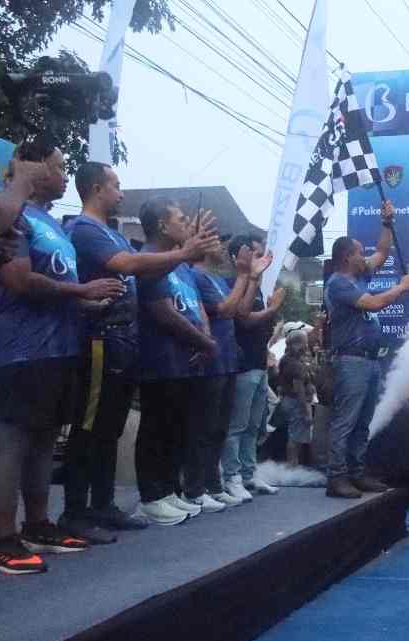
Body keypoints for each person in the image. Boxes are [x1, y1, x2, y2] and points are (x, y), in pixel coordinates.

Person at [60, 162, 221, 543]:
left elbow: (144, 273)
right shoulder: (85, 229)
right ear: (97, 188)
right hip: (98, 339)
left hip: (122, 344)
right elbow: (129, 266)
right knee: (90, 428)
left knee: (109, 430)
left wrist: (185, 250)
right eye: (115, 185)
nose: (120, 191)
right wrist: (184, 252)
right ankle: (75, 511)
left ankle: (103, 504)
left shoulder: (113, 235)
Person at [0, 140, 125, 575]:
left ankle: (37, 524)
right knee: (10, 444)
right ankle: (3, 538)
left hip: (59, 349)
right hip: (19, 350)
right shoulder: (12, 216)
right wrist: (83, 291)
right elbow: (18, 280)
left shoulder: (52, 224)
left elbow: (57, 287)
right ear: (33, 170)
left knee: (45, 440)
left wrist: (85, 305)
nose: (65, 175)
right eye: (58, 166)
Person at [133, 197, 221, 524]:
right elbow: (162, 312)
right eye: (180, 219)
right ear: (161, 226)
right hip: (159, 359)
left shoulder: (181, 266)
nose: (185, 224)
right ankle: (151, 495)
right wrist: (203, 341)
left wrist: (205, 339)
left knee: (176, 428)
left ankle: (170, 490)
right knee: (157, 426)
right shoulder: (149, 260)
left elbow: (196, 308)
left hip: (187, 360)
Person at [323, 200, 409, 498]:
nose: (366, 257)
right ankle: (337, 477)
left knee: (362, 422)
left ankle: (356, 473)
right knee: (346, 421)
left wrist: (386, 224)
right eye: (360, 253)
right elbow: (374, 303)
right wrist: (401, 287)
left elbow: (383, 251)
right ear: (347, 257)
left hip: (370, 361)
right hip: (351, 361)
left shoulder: (359, 275)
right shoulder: (338, 284)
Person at [190, 232, 270, 510]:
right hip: (220, 364)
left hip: (231, 363)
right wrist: (246, 276)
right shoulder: (206, 278)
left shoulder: (221, 280)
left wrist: (252, 278)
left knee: (230, 428)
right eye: (214, 242)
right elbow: (232, 313)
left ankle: (218, 483)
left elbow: (240, 308)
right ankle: (206, 484)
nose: (219, 248)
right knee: (217, 428)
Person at [224, 235, 286, 500]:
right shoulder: (232, 284)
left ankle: (249, 474)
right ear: (239, 256)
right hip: (242, 366)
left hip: (259, 366)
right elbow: (244, 319)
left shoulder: (258, 287)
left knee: (253, 427)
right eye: (256, 254)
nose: (262, 260)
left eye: (263, 255)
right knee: (237, 427)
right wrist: (272, 309)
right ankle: (231, 476)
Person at [277, 329, 316, 469]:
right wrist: (306, 411)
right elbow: (299, 389)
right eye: (304, 343)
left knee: (295, 433)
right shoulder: (295, 364)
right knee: (296, 435)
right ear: (297, 344)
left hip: (288, 400)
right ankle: (292, 465)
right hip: (296, 402)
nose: (306, 345)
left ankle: (293, 464)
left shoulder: (285, 359)